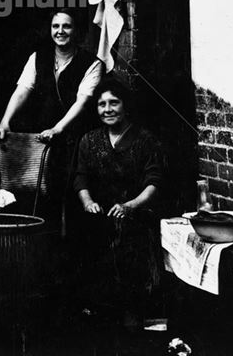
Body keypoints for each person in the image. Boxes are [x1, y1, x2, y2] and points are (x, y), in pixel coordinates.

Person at [0, 10, 104, 225]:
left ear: (76, 30)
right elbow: (22, 90)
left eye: (66, 26)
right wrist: (5, 121)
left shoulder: (92, 64)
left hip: (76, 139)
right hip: (43, 139)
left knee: (72, 199)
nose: (60, 31)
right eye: (55, 26)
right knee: (39, 196)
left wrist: (58, 128)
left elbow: (82, 101)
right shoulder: (38, 57)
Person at [73, 77, 164, 328]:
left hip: (136, 217)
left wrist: (130, 206)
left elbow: (153, 182)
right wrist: (88, 202)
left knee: (130, 255)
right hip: (100, 216)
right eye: (102, 104)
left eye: (114, 103)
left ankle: (131, 319)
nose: (108, 109)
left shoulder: (145, 140)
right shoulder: (89, 141)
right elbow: (80, 180)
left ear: (125, 106)